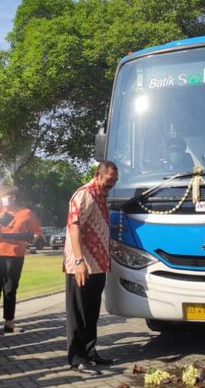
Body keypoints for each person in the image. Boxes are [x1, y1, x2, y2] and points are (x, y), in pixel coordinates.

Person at [64, 161, 118, 376]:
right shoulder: (84, 194)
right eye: (109, 179)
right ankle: (77, 359)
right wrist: (79, 262)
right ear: (97, 175)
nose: (111, 184)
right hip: (82, 265)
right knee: (78, 314)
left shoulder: (101, 196)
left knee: (91, 313)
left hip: (98, 266)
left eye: (114, 181)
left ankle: (90, 352)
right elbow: (74, 226)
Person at [0, 186, 42, 335]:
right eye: (1, 197)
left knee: (10, 288)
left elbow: (36, 231)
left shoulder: (26, 213)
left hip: (15, 254)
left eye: (5, 197)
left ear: (13, 197)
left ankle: (9, 322)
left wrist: (32, 240)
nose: (3, 200)